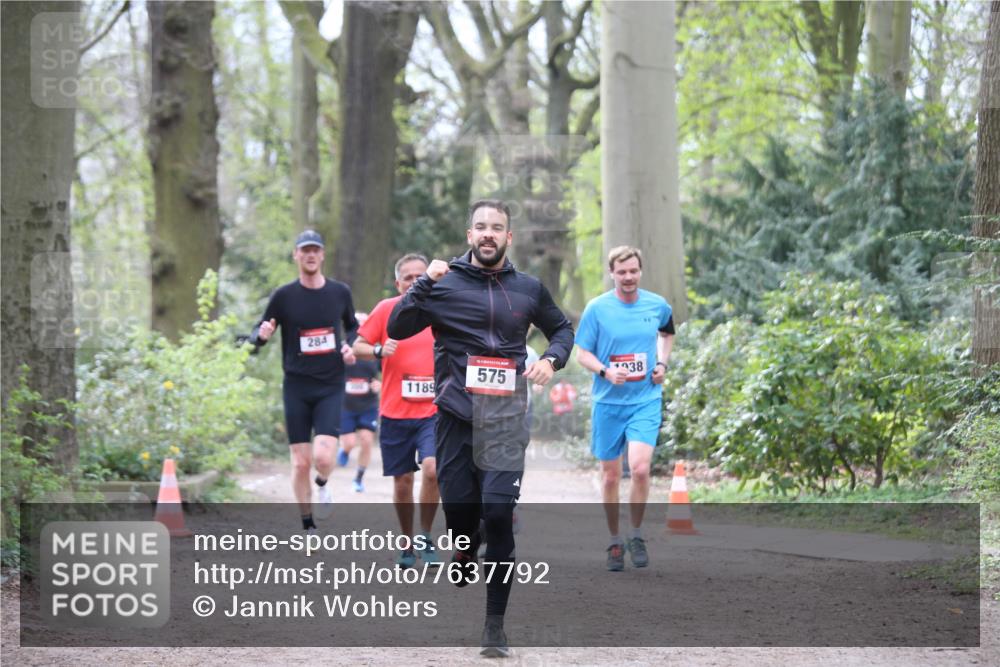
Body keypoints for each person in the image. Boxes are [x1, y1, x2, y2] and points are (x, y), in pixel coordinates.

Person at [387, 200, 574, 657]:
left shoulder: (529, 288)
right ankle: (465, 550)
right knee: (461, 515)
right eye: (481, 227)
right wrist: (425, 282)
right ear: (469, 235)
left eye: (497, 228)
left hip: (506, 420)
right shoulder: (444, 282)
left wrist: (551, 359)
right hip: (454, 417)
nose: (488, 234)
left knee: (497, 513)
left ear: (509, 237)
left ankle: (494, 625)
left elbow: (562, 330)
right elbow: (398, 324)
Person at [575, 245, 674, 572]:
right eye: (622, 272)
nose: (628, 277)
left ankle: (636, 533)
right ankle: (614, 540)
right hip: (608, 403)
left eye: (633, 271)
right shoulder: (597, 308)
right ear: (612, 273)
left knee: (641, 468)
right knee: (610, 476)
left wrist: (661, 363)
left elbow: (667, 333)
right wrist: (605, 371)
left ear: (640, 271)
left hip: (645, 399)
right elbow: (582, 354)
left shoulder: (657, 304)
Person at [251, 229, 358, 532]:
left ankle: (323, 483)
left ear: (322, 255)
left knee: (323, 458)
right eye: (304, 250)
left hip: (330, 384)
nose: (310, 255)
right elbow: (258, 330)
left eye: (315, 250)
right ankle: (307, 524)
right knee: (299, 462)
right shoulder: (284, 296)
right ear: (296, 256)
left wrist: (351, 344)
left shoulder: (340, 292)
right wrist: (260, 336)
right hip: (296, 386)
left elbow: (352, 327)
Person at [353, 254, 441, 569]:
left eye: (421, 275)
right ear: (398, 283)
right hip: (395, 412)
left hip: (434, 411)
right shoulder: (386, 309)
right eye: (408, 277)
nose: (416, 281)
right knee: (402, 480)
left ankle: (426, 535)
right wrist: (378, 349)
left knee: (433, 470)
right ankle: (406, 541)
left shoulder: (441, 308)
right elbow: (357, 346)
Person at [337, 312, 379, 493]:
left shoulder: (375, 350)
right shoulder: (341, 349)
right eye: (358, 324)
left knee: (367, 440)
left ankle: (358, 478)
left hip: (368, 404)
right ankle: (345, 451)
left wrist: (380, 384)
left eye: (364, 324)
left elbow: (388, 371)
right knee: (348, 442)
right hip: (345, 404)